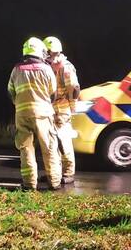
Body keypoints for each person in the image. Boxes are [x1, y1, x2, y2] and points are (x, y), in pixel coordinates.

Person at [8, 37, 61, 191]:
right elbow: (53, 93)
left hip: (22, 114)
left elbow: (10, 91)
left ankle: (29, 184)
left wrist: (19, 105)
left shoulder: (17, 69)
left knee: (26, 149)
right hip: (43, 113)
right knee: (49, 147)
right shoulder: (46, 69)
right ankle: (54, 182)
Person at [44, 36, 80, 185]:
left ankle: (68, 173)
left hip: (62, 110)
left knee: (64, 141)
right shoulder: (49, 66)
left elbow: (74, 88)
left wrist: (72, 107)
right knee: (53, 143)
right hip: (52, 110)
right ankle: (56, 173)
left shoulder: (65, 67)